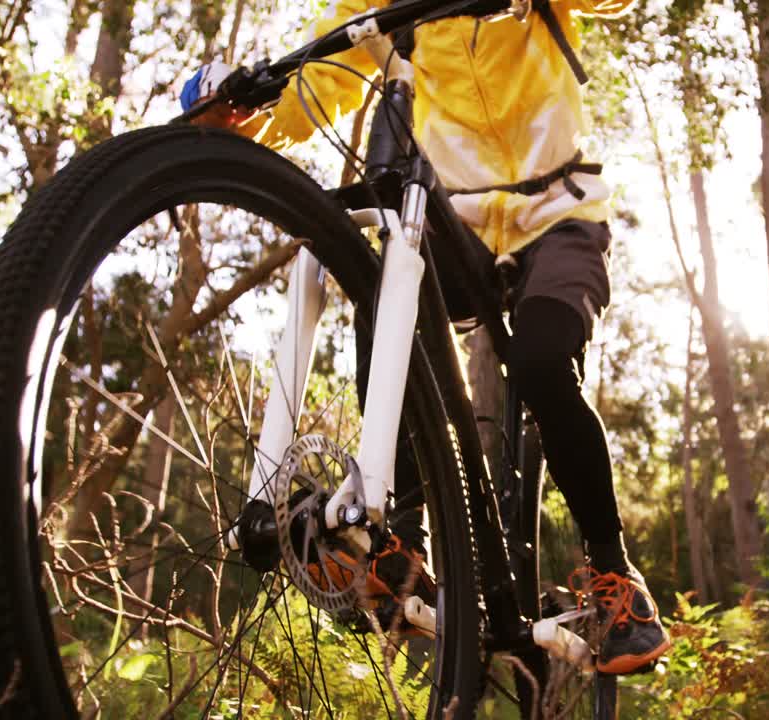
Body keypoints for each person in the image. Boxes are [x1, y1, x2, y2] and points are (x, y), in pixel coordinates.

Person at [182, 0, 670, 675]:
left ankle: (616, 575)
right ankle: (403, 539)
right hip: (458, 220)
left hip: (560, 214)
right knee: (382, 300)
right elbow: (324, 75)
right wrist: (247, 119)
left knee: (542, 360)